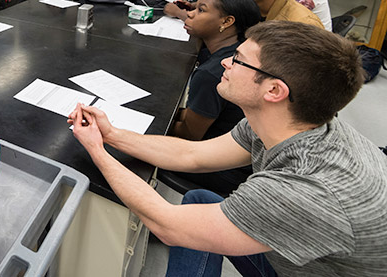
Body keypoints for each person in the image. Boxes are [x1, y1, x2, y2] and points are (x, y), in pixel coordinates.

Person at [70, 21, 387, 277]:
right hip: (299, 251)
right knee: (198, 200)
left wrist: (97, 151)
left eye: (238, 61)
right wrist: (111, 135)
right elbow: (191, 156)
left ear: (274, 90)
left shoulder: (308, 189)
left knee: (179, 222)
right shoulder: (287, 120)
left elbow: (166, 225)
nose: (225, 61)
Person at [166, 0, 261, 194]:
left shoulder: (212, 73)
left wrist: (155, 119)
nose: (190, 13)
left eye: (201, 10)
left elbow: (190, 136)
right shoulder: (237, 51)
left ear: (226, 22)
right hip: (247, 158)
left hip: (228, 171)